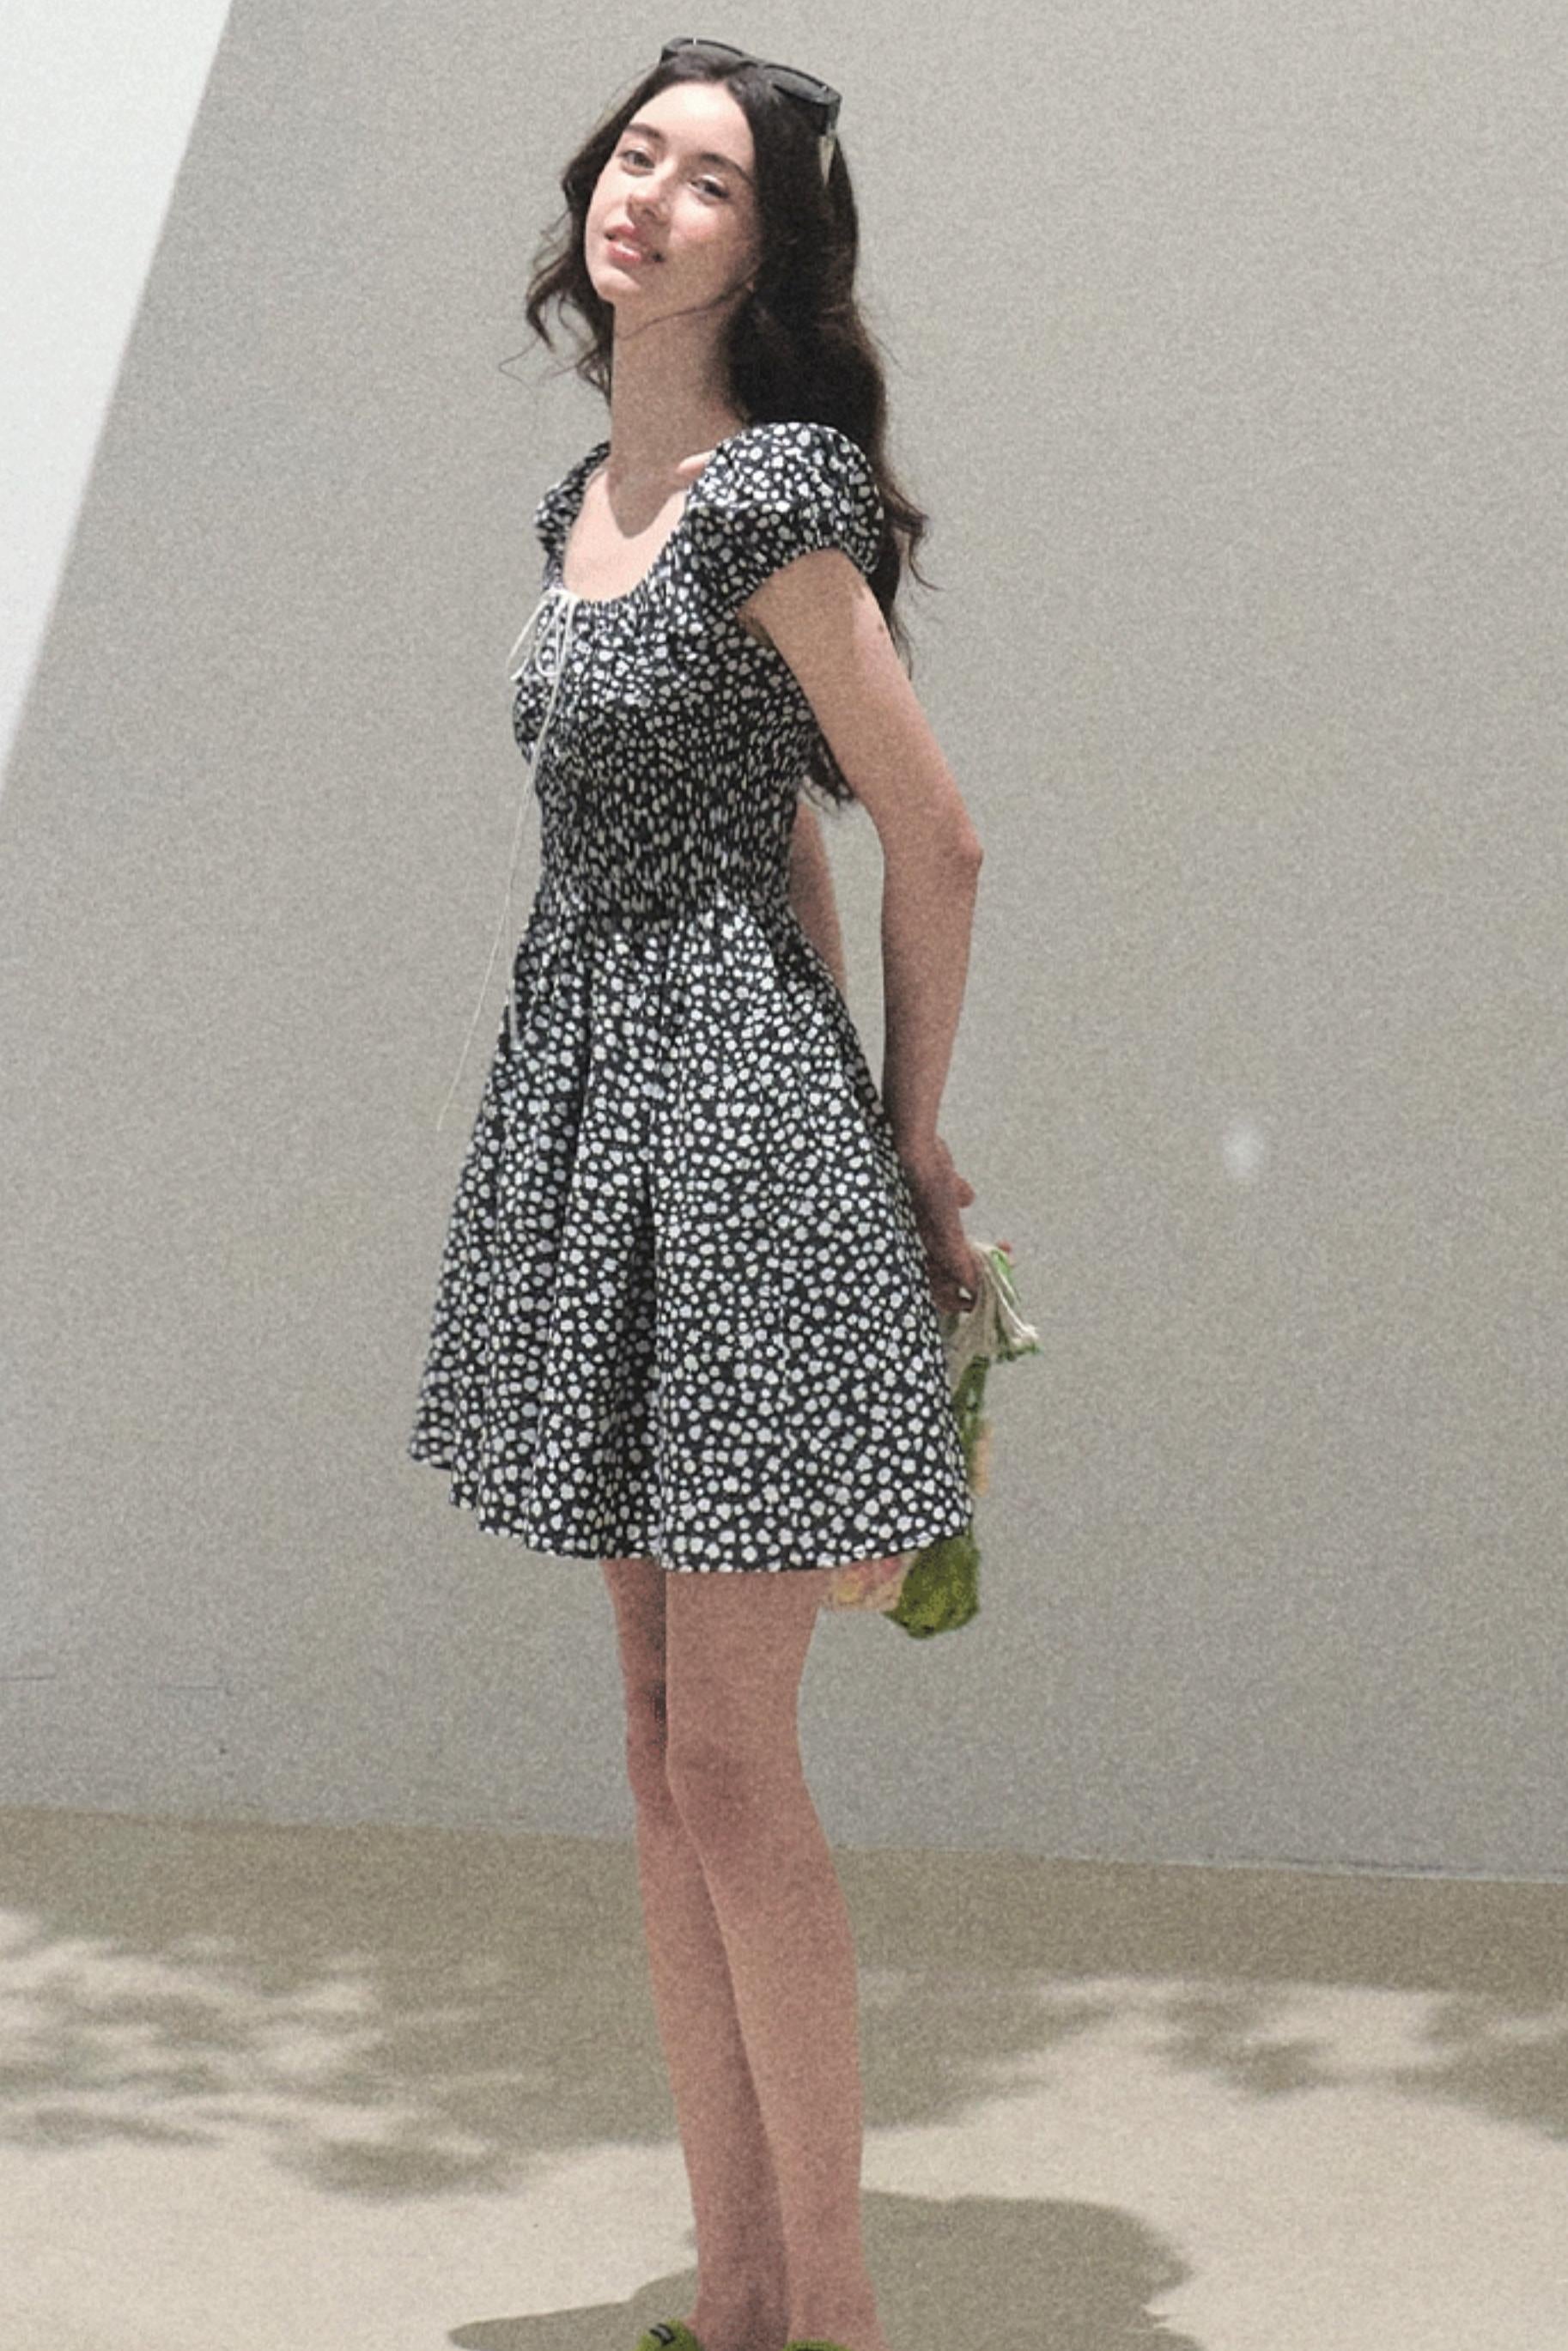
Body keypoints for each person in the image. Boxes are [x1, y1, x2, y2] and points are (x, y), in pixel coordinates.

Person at [408, 39, 988, 2351]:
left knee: (732, 1759)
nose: (649, 195)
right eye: (635, 154)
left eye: (710, 180)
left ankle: (830, 2308)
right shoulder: (580, 500)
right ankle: (734, 2287)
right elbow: (779, 826)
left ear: (772, 252)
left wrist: (900, 1142)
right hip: (595, 1130)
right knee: (657, 1752)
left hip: (738, 1140)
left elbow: (930, 835)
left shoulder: (776, 493)